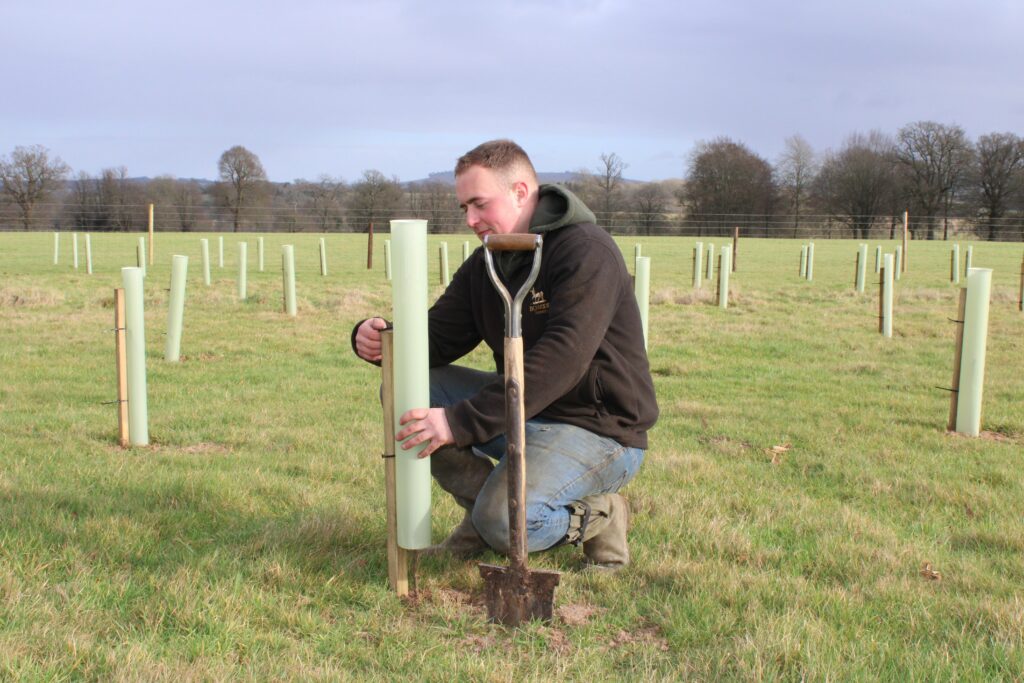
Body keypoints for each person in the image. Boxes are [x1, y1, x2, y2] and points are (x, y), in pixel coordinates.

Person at [352, 139, 658, 569]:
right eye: (464, 209)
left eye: (479, 204)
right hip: (526, 412)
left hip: (599, 430)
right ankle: (486, 517)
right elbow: (438, 337)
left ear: (519, 192)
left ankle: (601, 515)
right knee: (410, 386)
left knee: (507, 523)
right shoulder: (488, 263)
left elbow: (561, 361)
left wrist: (458, 422)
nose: (471, 220)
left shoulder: (587, 252)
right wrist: (383, 339)